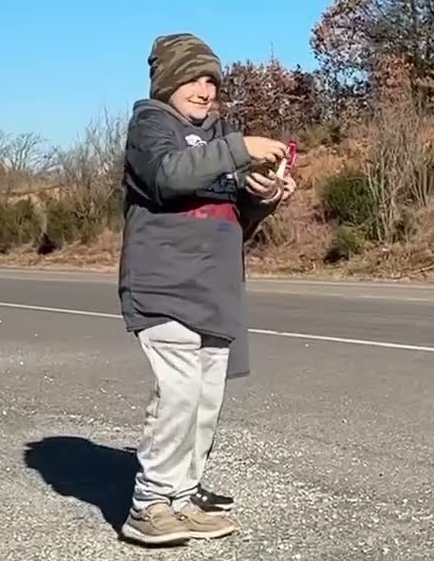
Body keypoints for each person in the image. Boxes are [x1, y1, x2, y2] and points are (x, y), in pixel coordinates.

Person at [116, 32, 295, 546]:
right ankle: (149, 503)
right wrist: (238, 149)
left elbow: (237, 215)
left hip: (215, 289)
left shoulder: (220, 134)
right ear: (169, 81)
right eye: (195, 78)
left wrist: (265, 195)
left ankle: (183, 493)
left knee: (204, 399)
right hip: (165, 284)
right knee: (178, 393)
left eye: (213, 81)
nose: (205, 89)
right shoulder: (151, 125)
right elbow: (169, 177)